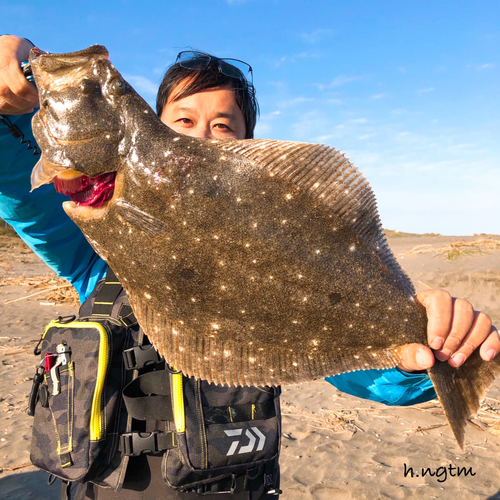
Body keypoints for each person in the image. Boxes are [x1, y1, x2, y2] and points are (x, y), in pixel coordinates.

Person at [0, 35, 498, 498]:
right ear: (153, 127)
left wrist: (437, 346)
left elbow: (368, 374)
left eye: (223, 125)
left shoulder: (282, 249)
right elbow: (17, 177)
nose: (202, 137)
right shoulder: (96, 250)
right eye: (183, 121)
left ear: (247, 145)